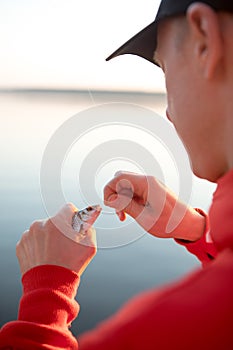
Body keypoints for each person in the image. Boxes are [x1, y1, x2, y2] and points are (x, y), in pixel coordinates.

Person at [1, 0, 233, 348]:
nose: (169, 114)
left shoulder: (183, 328)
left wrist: (46, 292)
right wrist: (197, 231)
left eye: (166, 71)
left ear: (204, 39)